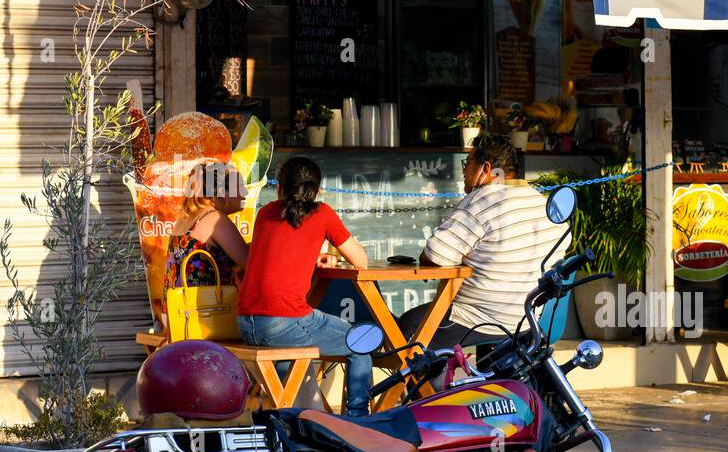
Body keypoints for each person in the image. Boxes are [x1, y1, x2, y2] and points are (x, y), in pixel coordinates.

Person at [398, 134, 568, 346]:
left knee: (407, 325)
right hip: (524, 322)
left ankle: (420, 380)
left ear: (485, 169)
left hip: (476, 320)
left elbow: (435, 255)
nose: (463, 172)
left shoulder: (483, 200)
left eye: (467, 164)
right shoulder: (544, 204)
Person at [237, 156, 373, 418]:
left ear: (279, 188)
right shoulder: (322, 214)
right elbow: (361, 261)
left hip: (246, 323)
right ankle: (359, 420)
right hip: (282, 322)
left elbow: (276, 256)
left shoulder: (266, 213)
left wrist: (312, 256)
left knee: (288, 359)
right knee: (362, 341)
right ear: (317, 190)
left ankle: (291, 420)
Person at [164, 162, 249, 292]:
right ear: (222, 193)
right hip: (207, 309)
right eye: (241, 187)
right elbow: (251, 265)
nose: (246, 192)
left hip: (181, 309)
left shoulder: (186, 219)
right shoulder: (216, 220)